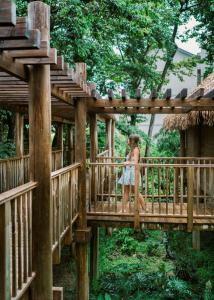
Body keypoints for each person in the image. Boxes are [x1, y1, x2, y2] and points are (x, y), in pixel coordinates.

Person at [118, 134, 146, 213]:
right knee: (126, 191)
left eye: (129, 139)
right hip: (128, 172)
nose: (127, 141)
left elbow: (136, 162)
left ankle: (144, 208)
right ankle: (123, 209)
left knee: (136, 192)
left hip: (133, 173)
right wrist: (126, 162)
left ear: (132, 141)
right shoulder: (131, 149)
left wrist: (127, 162)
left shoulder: (136, 149)